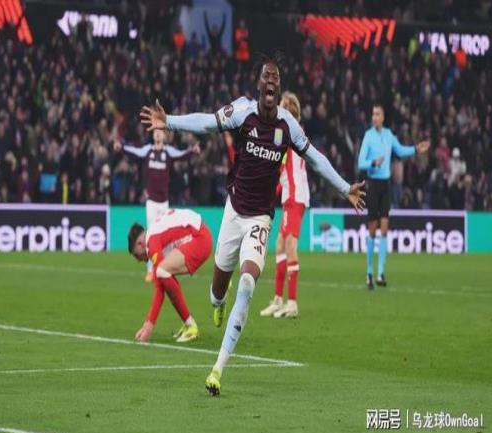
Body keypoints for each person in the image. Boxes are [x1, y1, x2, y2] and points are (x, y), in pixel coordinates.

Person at [140, 53, 366, 396]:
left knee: (247, 283)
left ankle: (217, 369)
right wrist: (168, 121)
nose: (270, 81)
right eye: (266, 76)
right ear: (259, 85)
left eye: (276, 77)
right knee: (217, 293)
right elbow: (207, 122)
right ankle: (218, 303)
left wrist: (345, 187)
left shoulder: (288, 126)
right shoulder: (242, 111)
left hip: (260, 218)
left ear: (279, 87)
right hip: (233, 213)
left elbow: (316, 159)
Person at [358, 103, 430, 290]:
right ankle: (369, 273)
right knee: (372, 230)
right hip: (373, 185)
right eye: (373, 114)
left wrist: (416, 149)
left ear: (383, 117)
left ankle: (381, 272)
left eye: (377, 114)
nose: (374, 117)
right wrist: (373, 163)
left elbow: (400, 150)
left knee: (384, 229)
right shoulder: (368, 136)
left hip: (385, 185)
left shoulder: (389, 135)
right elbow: (360, 162)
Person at [114, 129, 200, 281]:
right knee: (150, 236)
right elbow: (134, 152)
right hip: (152, 202)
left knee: (165, 237)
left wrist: (192, 151)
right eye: (156, 132)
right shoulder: (148, 150)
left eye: (161, 131)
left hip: (164, 202)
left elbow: (182, 154)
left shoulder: (168, 152)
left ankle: (166, 267)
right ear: (153, 135)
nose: (158, 134)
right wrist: (121, 147)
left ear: (164, 135)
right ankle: (150, 270)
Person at [128, 208, 213, 343]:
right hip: (201, 234)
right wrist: (147, 323)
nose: (139, 260)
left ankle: (191, 325)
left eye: (137, 255)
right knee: (163, 272)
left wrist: (149, 325)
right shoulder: (154, 234)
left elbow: (159, 289)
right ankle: (188, 323)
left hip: (199, 239)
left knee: (162, 271)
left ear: (139, 244)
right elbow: (160, 284)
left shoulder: (152, 242)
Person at [260, 92, 308, 319]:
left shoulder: (292, 130)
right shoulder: (285, 131)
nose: (277, 108)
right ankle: (278, 299)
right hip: (289, 196)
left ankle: (293, 303)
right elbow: (280, 166)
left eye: (282, 106)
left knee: (289, 245)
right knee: (279, 246)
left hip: (296, 197)